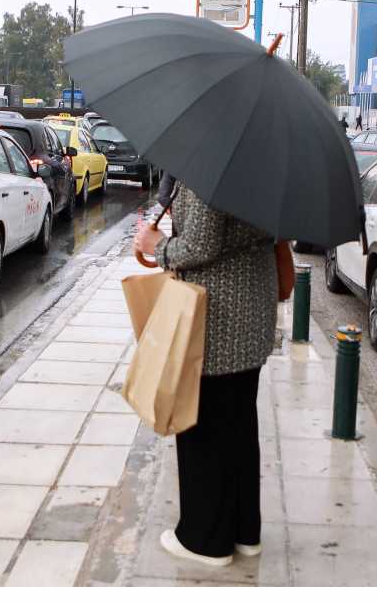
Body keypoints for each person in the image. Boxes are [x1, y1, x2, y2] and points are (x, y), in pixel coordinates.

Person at [134, 183, 278, 567]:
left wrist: (158, 247)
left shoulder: (212, 174)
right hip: (255, 309)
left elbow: (200, 244)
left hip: (217, 320)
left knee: (203, 428)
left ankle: (206, 540)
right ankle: (246, 531)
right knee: (240, 427)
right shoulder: (266, 168)